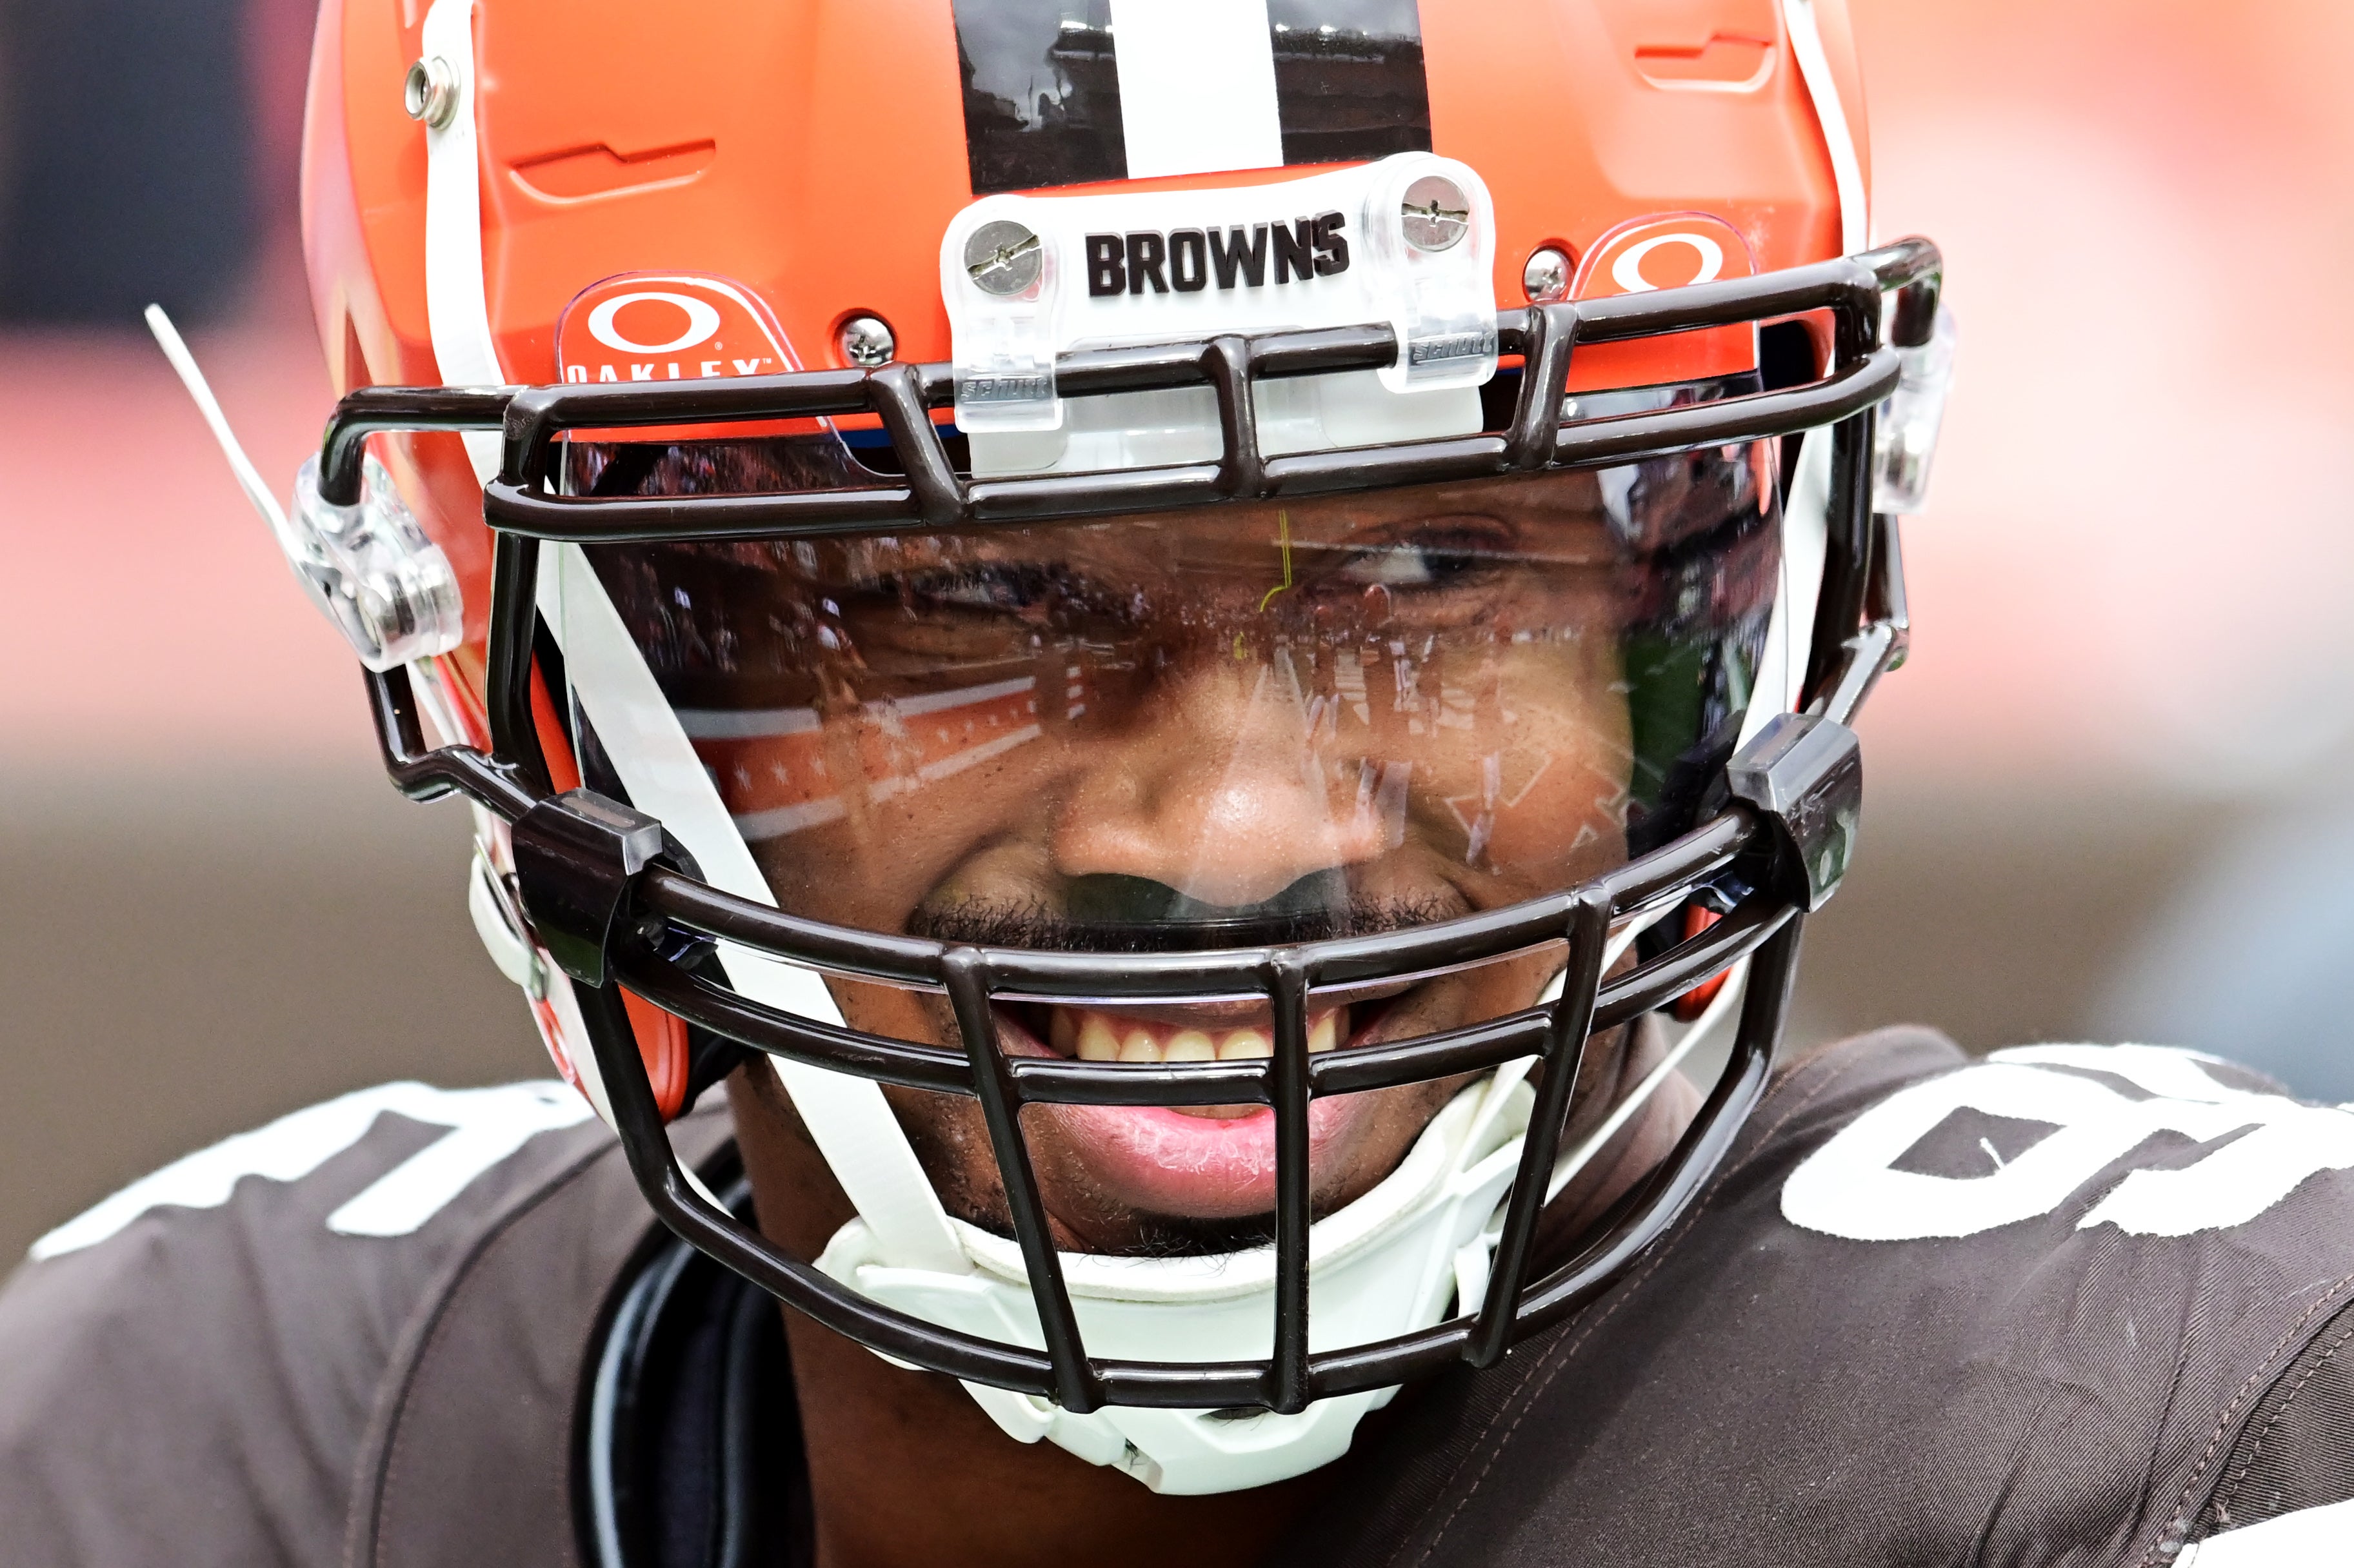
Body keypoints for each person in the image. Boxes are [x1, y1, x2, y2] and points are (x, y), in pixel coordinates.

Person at [5, 1, 2351, 1563]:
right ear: (523, 661)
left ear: (1731, 592)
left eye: (1439, 567)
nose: (1235, 837)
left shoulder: (2197, 1438)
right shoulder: (224, 1450)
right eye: (963, 600)